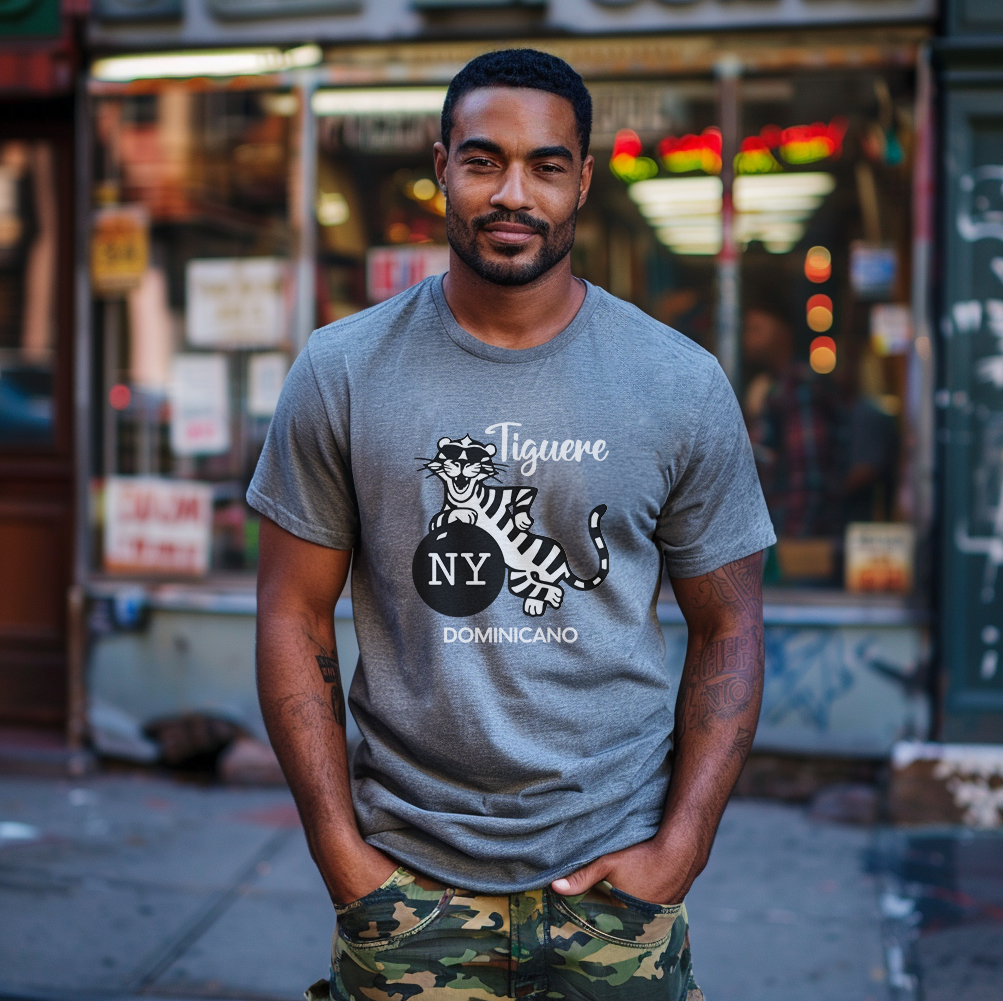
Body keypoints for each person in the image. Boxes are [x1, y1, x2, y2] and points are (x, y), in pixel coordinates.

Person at [249, 49, 775, 1001]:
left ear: (583, 177)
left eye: (545, 165)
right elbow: (290, 613)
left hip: (617, 880)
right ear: (442, 164)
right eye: (485, 160)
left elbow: (730, 624)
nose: (513, 193)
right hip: (409, 884)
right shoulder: (342, 371)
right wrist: (340, 853)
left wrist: (683, 848)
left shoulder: (678, 382)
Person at [743, 302, 843, 539]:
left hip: (795, 539)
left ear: (784, 332)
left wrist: (796, 539)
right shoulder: (772, 386)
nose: (748, 337)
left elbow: (807, 475)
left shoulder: (798, 386)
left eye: (757, 328)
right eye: (747, 330)